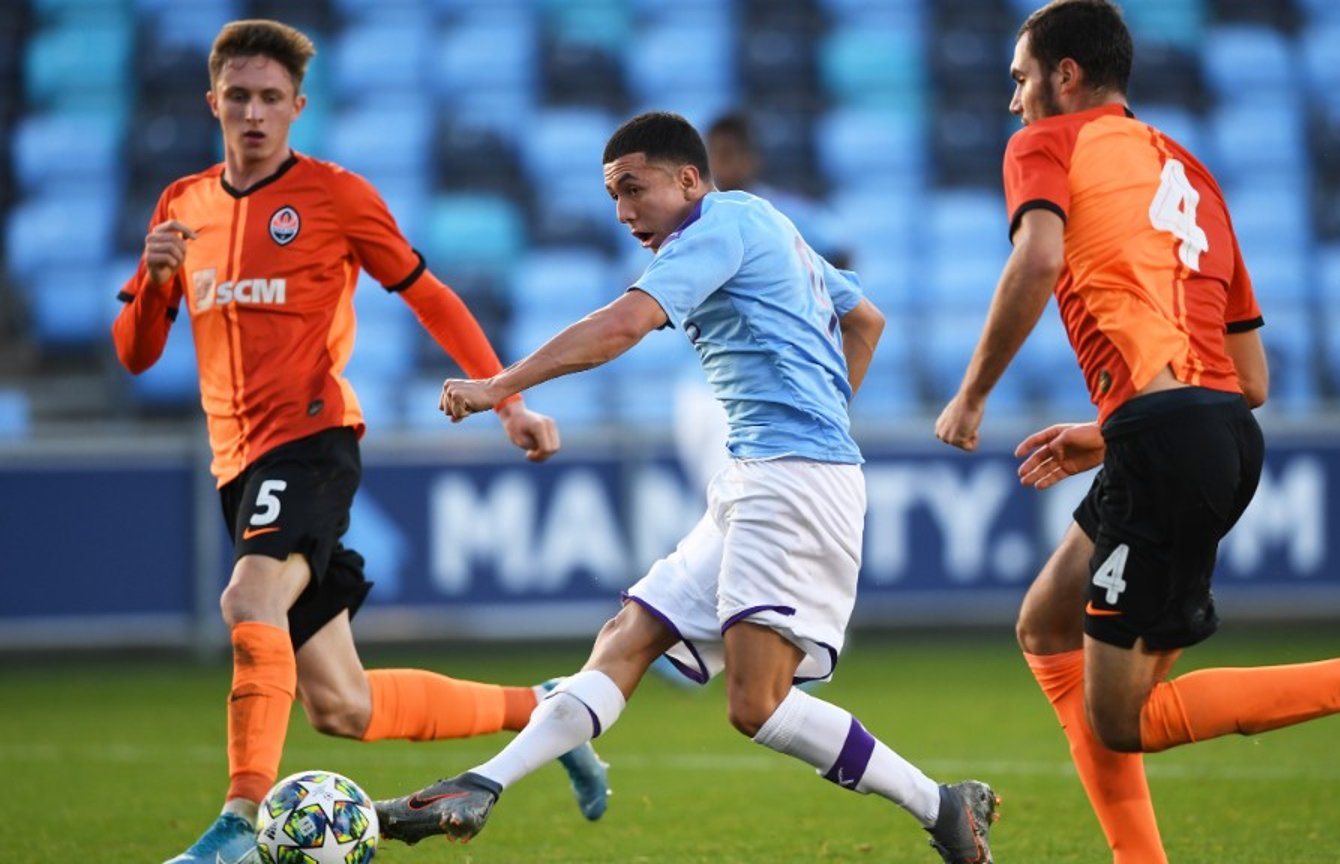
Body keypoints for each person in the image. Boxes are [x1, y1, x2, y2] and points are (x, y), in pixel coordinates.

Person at [375, 111, 1000, 863]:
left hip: (791, 482)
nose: (623, 212)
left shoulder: (716, 227)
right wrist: (825, 417)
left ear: (689, 179)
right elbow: (864, 317)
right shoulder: (760, 221)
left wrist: (499, 387)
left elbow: (621, 326)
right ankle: (477, 786)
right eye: (612, 196)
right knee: (628, 637)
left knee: (756, 704)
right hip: (761, 474)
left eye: (634, 189)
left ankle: (943, 807)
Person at [933, 2, 1340, 862]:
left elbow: (1037, 258)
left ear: (1066, 75)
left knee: (1122, 718)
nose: (1013, 102)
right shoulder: (1191, 176)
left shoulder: (1049, 142)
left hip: (1165, 446)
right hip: (1198, 436)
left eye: (1021, 79)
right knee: (1045, 624)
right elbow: (1250, 380)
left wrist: (971, 395)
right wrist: (1107, 433)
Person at [111, 20, 609, 864]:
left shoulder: (336, 196)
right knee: (342, 705)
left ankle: (237, 822)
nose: (255, 113)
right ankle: (548, 708)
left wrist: (507, 400)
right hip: (237, 464)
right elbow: (137, 353)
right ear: (213, 103)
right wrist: (154, 283)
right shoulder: (181, 206)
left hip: (311, 438)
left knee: (247, 598)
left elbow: (429, 294)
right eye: (240, 97)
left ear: (299, 106)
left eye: (272, 98)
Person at [706, 112, 851, 269]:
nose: (716, 164)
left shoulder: (783, 211)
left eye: (726, 155)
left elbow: (839, 252)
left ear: (753, 158)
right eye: (710, 154)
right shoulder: (692, 215)